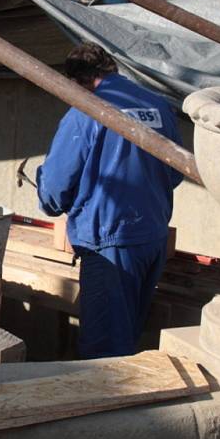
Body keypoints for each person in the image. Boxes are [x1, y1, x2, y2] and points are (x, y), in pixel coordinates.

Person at [36, 43, 183, 359]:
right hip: (152, 241)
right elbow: (176, 174)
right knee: (128, 337)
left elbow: (55, 188)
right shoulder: (158, 106)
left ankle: (107, 405)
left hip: (109, 245)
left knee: (105, 354)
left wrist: (45, 191)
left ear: (78, 82)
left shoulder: (85, 112)